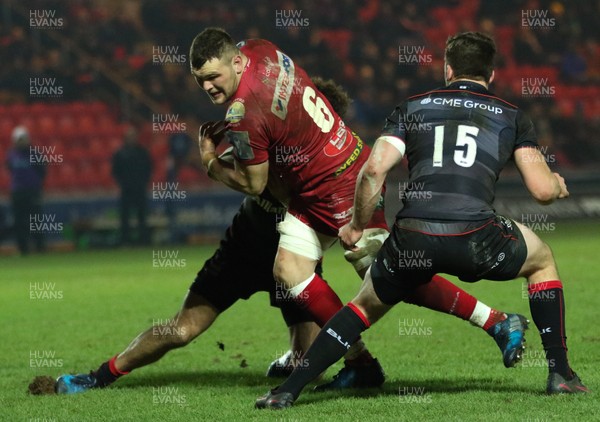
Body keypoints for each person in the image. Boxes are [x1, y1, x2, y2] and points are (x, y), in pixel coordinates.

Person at [256, 31, 588, 409]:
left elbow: (373, 171)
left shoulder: (413, 106)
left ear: (447, 69)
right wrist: (559, 186)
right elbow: (542, 191)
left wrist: (356, 226)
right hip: (477, 237)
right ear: (491, 74)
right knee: (541, 259)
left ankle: (288, 390)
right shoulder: (511, 116)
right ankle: (560, 374)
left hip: (413, 238)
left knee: (362, 307)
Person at [192, 28, 528, 390]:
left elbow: (254, 184)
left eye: (214, 76)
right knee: (289, 270)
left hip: (336, 185)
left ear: (237, 62)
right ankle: (359, 361)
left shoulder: (244, 112)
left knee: (393, 277)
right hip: (324, 173)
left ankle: (495, 321)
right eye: (201, 80)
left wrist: (211, 161)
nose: (209, 86)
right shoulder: (261, 48)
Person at [53, 78, 360, 394]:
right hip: (241, 254)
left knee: (305, 367)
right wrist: (210, 155)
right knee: (182, 330)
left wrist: (211, 159)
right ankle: (99, 376)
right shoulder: (268, 140)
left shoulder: (329, 170)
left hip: (295, 259)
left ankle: (307, 361)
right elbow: (237, 169)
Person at [6, 125, 46, 255]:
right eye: (19, 139)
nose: (21, 141)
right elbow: (10, 169)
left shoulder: (35, 154)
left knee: (36, 220)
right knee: (19, 221)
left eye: (23, 139)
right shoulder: (11, 155)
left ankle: (40, 247)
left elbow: (42, 171)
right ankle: (23, 249)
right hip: (18, 192)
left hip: (32, 191)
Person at [111, 126, 153, 245]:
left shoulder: (142, 152)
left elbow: (149, 169)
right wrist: (122, 183)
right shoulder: (120, 153)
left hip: (140, 188)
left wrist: (144, 181)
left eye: (133, 136)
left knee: (142, 216)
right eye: (129, 136)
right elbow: (115, 171)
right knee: (125, 217)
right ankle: (125, 240)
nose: (131, 138)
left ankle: (143, 240)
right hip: (126, 189)